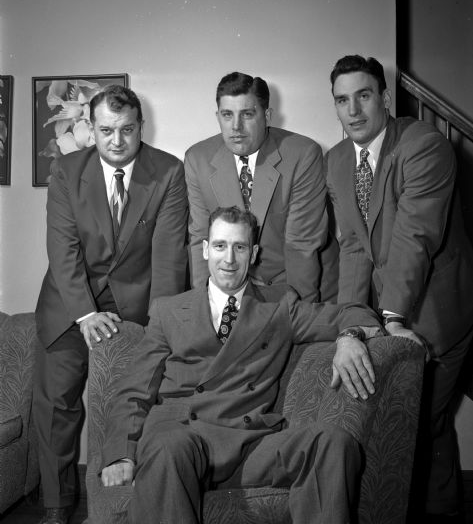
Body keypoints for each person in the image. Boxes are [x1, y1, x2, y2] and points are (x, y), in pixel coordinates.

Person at [99, 205, 385, 524]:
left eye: (240, 247)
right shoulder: (168, 310)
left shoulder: (279, 306)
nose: (229, 259)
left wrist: (348, 336)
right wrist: (121, 454)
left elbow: (351, 312)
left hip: (248, 442)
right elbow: (134, 391)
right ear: (206, 249)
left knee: (333, 442)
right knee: (168, 445)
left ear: (254, 253)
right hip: (183, 441)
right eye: (220, 246)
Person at [325, 55, 473, 523]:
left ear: (385, 98)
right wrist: (353, 319)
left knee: (421, 421)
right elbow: (352, 247)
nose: (353, 110)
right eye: (342, 100)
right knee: (418, 424)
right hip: (392, 309)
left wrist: (391, 318)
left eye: (364, 96)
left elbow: (415, 236)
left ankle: (441, 512)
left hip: (436, 310)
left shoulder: (425, 145)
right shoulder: (336, 161)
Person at [33, 85, 188, 524]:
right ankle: (56, 506)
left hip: (136, 308)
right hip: (68, 304)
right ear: (91, 129)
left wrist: (160, 329)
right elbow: (62, 249)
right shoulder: (66, 170)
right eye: (105, 131)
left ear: (142, 126)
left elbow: (168, 257)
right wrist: (85, 314)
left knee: (129, 402)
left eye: (126, 130)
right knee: (57, 406)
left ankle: (124, 503)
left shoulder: (168, 172)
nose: (116, 141)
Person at [184, 71, 338, 303]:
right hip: (234, 293)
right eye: (227, 115)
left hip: (297, 287)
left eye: (247, 114)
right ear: (218, 116)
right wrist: (208, 308)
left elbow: (302, 245)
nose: (236, 126)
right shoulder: (198, 159)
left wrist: (299, 315)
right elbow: (200, 240)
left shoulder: (303, 154)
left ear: (267, 115)